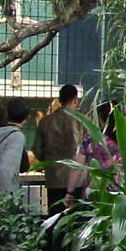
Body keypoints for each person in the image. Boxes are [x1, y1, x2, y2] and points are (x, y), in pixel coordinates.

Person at [36, 84, 82, 215]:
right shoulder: (82, 121)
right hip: (78, 179)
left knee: (55, 218)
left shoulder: (45, 122)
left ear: (59, 99)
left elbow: (37, 150)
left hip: (54, 178)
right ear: (75, 100)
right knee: (76, 220)